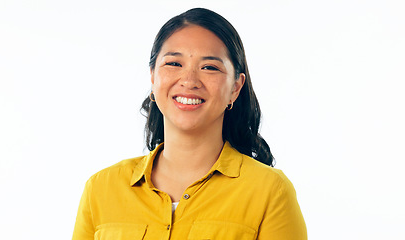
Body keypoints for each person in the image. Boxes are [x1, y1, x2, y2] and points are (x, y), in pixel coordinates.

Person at [72, 8, 307, 239]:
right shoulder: (101, 189)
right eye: (174, 63)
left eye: (209, 67)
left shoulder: (270, 192)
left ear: (235, 88)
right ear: (153, 77)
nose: (189, 80)